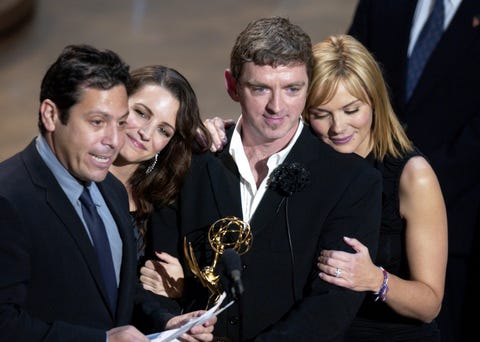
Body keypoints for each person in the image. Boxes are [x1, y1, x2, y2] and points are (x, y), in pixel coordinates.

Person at [152, 16, 383, 341]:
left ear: (308, 86)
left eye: (292, 89)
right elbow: (151, 273)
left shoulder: (353, 182)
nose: (277, 106)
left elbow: (331, 306)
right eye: (260, 88)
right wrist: (169, 321)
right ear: (232, 86)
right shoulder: (190, 159)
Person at [0, 44, 215, 341]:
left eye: (119, 121)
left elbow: (120, 288)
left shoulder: (109, 189)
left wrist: (167, 322)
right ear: (51, 115)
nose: (114, 139)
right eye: (98, 122)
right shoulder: (9, 198)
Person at [347, 1, 480, 340]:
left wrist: (418, 183)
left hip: (460, 214)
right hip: (368, 214)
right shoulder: (383, 5)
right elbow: (345, 77)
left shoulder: (417, 177)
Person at [307, 34, 447, 341]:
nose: (338, 127)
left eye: (351, 110)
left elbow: (430, 304)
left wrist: (376, 279)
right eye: (321, 114)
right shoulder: (306, 163)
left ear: (374, 102)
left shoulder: (414, 176)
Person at [109, 65, 212, 300]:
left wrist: (180, 288)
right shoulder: (76, 179)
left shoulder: (159, 197)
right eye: (141, 113)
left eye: (163, 131)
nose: (145, 132)